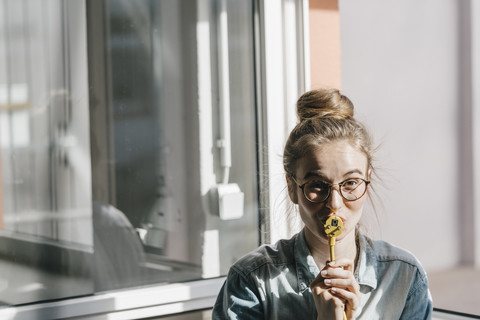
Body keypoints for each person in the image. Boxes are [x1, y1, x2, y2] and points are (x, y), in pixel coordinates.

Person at [212, 88, 432, 319]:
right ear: (292, 188)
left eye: (350, 183)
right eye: (317, 185)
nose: (334, 203)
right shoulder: (252, 279)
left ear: (367, 181)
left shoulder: (404, 276)